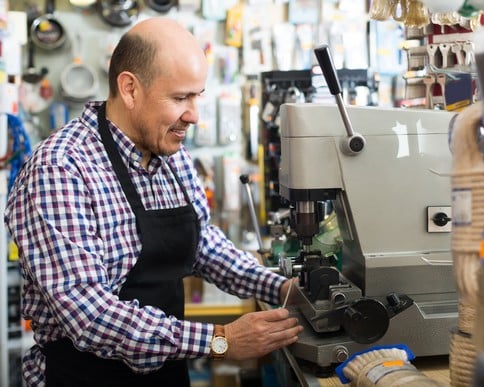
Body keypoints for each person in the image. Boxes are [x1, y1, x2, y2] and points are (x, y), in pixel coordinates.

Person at [5, 17, 302, 387]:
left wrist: (279, 287)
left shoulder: (170, 152)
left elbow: (202, 245)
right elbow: (88, 314)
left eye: (197, 96)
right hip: (84, 379)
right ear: (130, 89)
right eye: (180, 98)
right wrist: (219, 340)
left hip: (165, 373)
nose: (193, 115)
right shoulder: (60, 169)